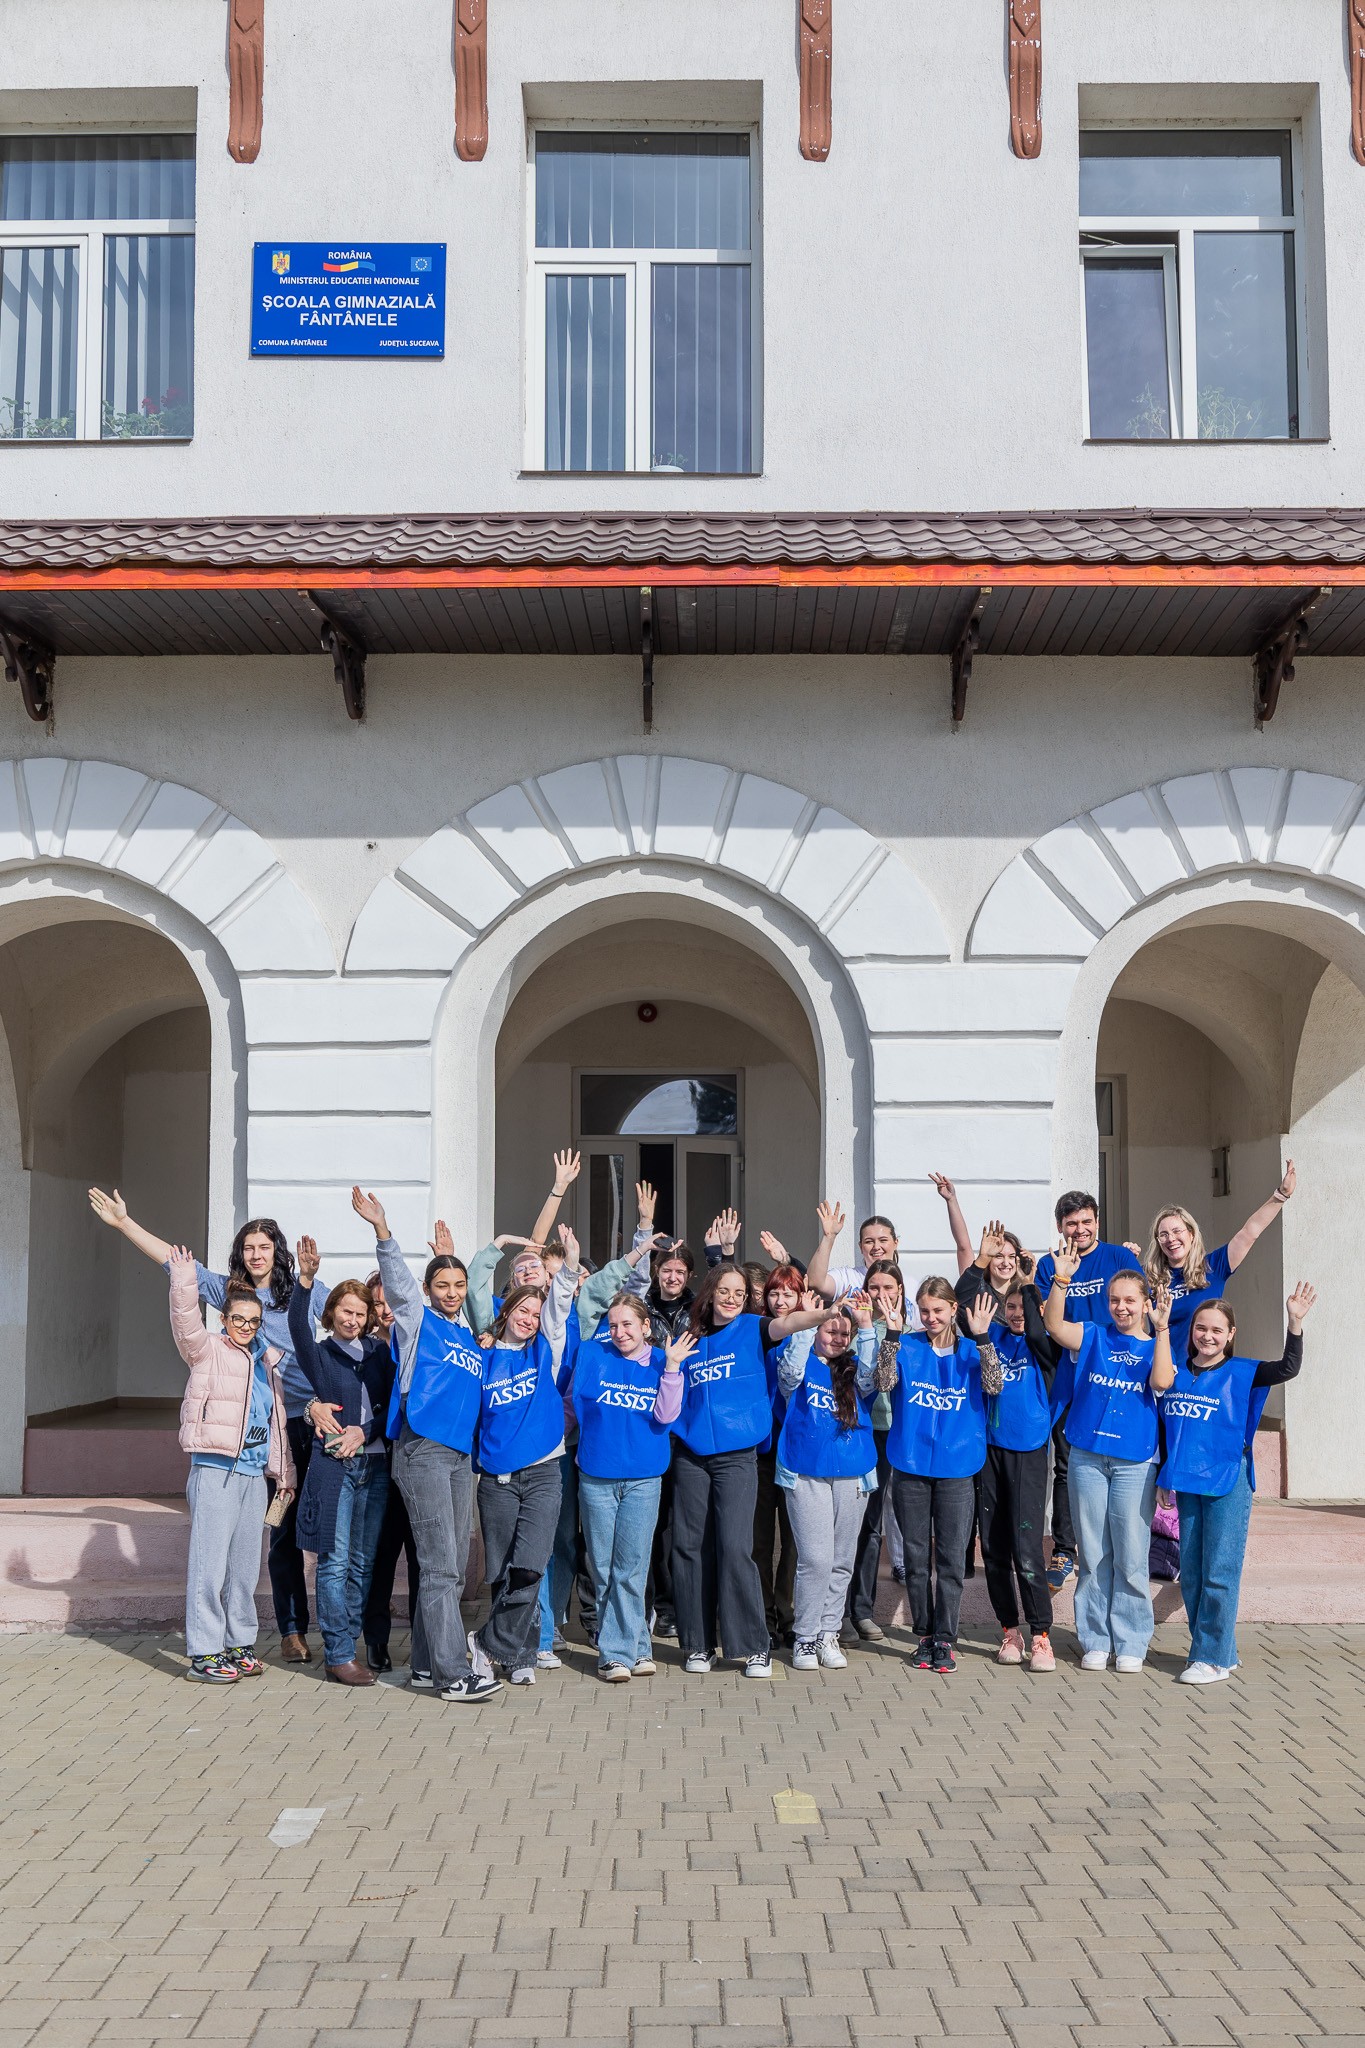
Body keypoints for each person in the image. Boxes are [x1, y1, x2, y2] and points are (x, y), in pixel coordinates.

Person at [87, 1187, 329, 1664]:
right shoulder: (228, 1293)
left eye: (264, 1247)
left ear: (276, 1252)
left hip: (301, 1421)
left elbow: (347, 1323)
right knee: (274, 1536)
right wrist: (124, 1224)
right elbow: (177, 1271)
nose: (256, 1255)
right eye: (248, 1248)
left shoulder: (305, 1288)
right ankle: (290, 1629)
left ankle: (252, 1635)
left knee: (288, 1528)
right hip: (241, 1430)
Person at [353, 1188, 499, 1704]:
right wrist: (383, 1232)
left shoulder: (470, 1335)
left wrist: (458, 1254)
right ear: (429, 1289)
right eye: (443, 1284)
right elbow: (397, 1288)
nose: (454, 1291)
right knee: (440, 1566)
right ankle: (452, 1673)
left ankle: (421, 1665)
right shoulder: (418, 1324)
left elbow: (488, 1301)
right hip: (422, 1450)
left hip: (460, 1456)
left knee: (453, 1564)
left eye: (459, 1284)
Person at [1158, 1284, 1314, 1685]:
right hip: (1187, 1482)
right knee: (1191, 1574)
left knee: (1219, 1573)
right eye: (1200, 1328)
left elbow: (1288, 1368)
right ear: (1191, 1331)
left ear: (1230, 1335)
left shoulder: (1244, 1372)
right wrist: (1164, 1477)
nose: (1207, 1336)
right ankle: (1219, 1652)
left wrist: (1294, 1322)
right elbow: (1165, 1431)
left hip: (1228, 1481)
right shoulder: (1173, 1370)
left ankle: (1210, 1657)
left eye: (1216, 1330)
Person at [670, 1265, 814, 1677]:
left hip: (737, 1456)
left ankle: (754, 1645)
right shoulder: (689, 1339)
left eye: (739, 1292)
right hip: (691, 1457)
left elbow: (789, 1322)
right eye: (725, 1291)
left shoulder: (753, 1327)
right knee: (690, 1548)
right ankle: (698, 1644)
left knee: (736, 1547)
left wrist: (822, 1314)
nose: (732, 1298)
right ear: (710, 1293)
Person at [166, 1245, 296, 1683]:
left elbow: (276, 1424)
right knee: (209, 1564)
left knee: (245, 1568)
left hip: (253, 1476)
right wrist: (184, 1278)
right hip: (216, 1470)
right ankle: (204, 1653)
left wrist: (285, 1475)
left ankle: (238, 1644)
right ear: (224, 1320)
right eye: (237, 1318)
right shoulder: (208, 1351)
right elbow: (185, 1325)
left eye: (253, 1321)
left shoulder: (268, 1364)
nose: (244, 1326)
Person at [1043, 1248, 1175, 1673]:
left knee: (1131, 1555)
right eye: (1115, 1300)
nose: (1121, 1308)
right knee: (1094, 1553)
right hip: (1086, 1456)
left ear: (1144, 1303)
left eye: (1130, 1301)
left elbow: (1160, 1381)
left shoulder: (1156, 1344)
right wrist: (1061, 1281)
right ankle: (1095, 1639)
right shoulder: (1094, 1335)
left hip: (1135, 1463)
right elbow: (1054, 1325)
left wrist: (1164, 1330)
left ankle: (1132, 1641)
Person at [467, 1228, 581, 1687]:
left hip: (543, 1473)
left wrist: (570, 1264)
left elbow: (560, 1309)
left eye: (536, 1312)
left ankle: (488, 1644)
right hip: (496, 1478)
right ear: (507, 1307)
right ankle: (514, 1656)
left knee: (531, 1564)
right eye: (523, 1309)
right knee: (500, 1569)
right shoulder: (485, 1354)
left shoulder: (545, 1350)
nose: (530, 1318)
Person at [877, 1276, 1002, 1674]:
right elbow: (882, 1382)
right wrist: (892, 1334)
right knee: (916, 1558)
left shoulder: (971, 1349)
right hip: (911, 1464)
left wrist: (982, 1339)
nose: (931, 1317)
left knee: (950, 1559)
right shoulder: (907, 1345)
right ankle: (924, 1635)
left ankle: (946, 1638)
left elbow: (994, 1385)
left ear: (953, 1310)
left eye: (938, 1310)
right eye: (924, 1311)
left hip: (958, 1466)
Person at [568, 1291, 695, 1680]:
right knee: (604, 1568)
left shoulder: (663, 1360)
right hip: (596, 1475)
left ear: (645, 1327)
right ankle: (636, 1647)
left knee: (631, 1568)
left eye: (627, 1324)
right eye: (613, 1325)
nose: (619, 1332)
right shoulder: (592, 1355)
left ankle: (616, 1653)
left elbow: (666, 1415)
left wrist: (672, 1368)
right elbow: (571, 1407)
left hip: (643, 1478)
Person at [288, 1248, 396, 1686]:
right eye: (345, 1311)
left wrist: (363, 1432)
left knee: (364, 1562)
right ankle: (337, 1652)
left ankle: (348, 1641)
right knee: (333, 1563)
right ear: (331, 1314)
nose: (352, 1319)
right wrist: (306, 1280)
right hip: (334, 1470)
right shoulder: (319, 1354)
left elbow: (388, 1408)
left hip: (375, 1469)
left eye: (360, 1312)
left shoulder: (379, 1353)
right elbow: (296, 1325)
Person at [1031, 1191, 1142, 1593]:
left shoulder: (1120, 1258)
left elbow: (1138, 1306)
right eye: (1071, 1223)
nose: (1080, 1230)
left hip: (1120, 1381)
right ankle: (1064, 1549)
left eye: (1086, 1221)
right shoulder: (1049, 1265)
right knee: (1066, 1465)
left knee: (1120, 1465)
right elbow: (1048, 1320)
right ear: (1060, 1226)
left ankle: (1116, 1549)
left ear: (1097, 1220)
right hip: (1070, 1380)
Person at [774, 1292, 879, 1671]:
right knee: (815, 1559)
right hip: (805, 1472)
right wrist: (807, 1317)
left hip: (853, 1473)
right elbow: (788, 1376)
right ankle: (804, 1637)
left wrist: (866, 1328)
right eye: (829, 1330)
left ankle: (828, 1633)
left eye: (843, 1333)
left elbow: (873, 1378)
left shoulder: (854, 1370)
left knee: (841, 1561)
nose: (836, 1337)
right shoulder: (800, 1361)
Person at [973, 1268, 1061, 1673]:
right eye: (1009, 1306)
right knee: (993, 1548)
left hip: (1027, 1451)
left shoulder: (1043, 1346)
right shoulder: (992, 1339)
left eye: (1023, 1306)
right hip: (989, 1451)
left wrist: (1028, 1284)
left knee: (1026, 1549)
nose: (1017, 1313)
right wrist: (981, 1268)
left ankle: (1041, 1635)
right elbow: (964, 1301)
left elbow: (1040, 1330)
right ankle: (1011, 1630)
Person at [1144, 1162, 1298, 1359]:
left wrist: (1281, 1195)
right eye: (1163, 1234)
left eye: (1176, 1231)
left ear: (1191, 1234)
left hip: (1203, 1374)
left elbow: (1249, 1233)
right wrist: (1125, 1255)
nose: (1171, 1239)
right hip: (1160, 1372)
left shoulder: (1213, 1266)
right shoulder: (1148, 1276)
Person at [358, 1269, 421, 1673]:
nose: (384, 1311)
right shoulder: (363, 1350)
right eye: (377, 1304)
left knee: (422, 1558)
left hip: (418, 1464)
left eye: (390, 1303)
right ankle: (376, 1642)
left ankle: (424, 1642)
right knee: (381, 1558)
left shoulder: (418, 1340)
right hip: (380, 1464)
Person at [841, 1257, 905, 1644]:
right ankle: (852, 1612)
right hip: (866, 1434)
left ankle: (864, 1609)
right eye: (875, 1288)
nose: (882, 1295)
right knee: (863, 1524)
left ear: (900, 1292)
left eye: (889, 1288)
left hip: (903, 1435)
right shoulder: (851, 1330)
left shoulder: (912, 1331)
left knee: (882, 1525)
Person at [753, 1261, 804, 1646]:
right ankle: (763, 1618)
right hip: (758, 1447)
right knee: (758, 1541)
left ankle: (787, 1615)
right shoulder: (757, 1332)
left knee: (794, 1541)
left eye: (788, 1292)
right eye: (774, 1292)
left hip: (797, 1448)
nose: (780, 1299)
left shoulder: (810, 1334)